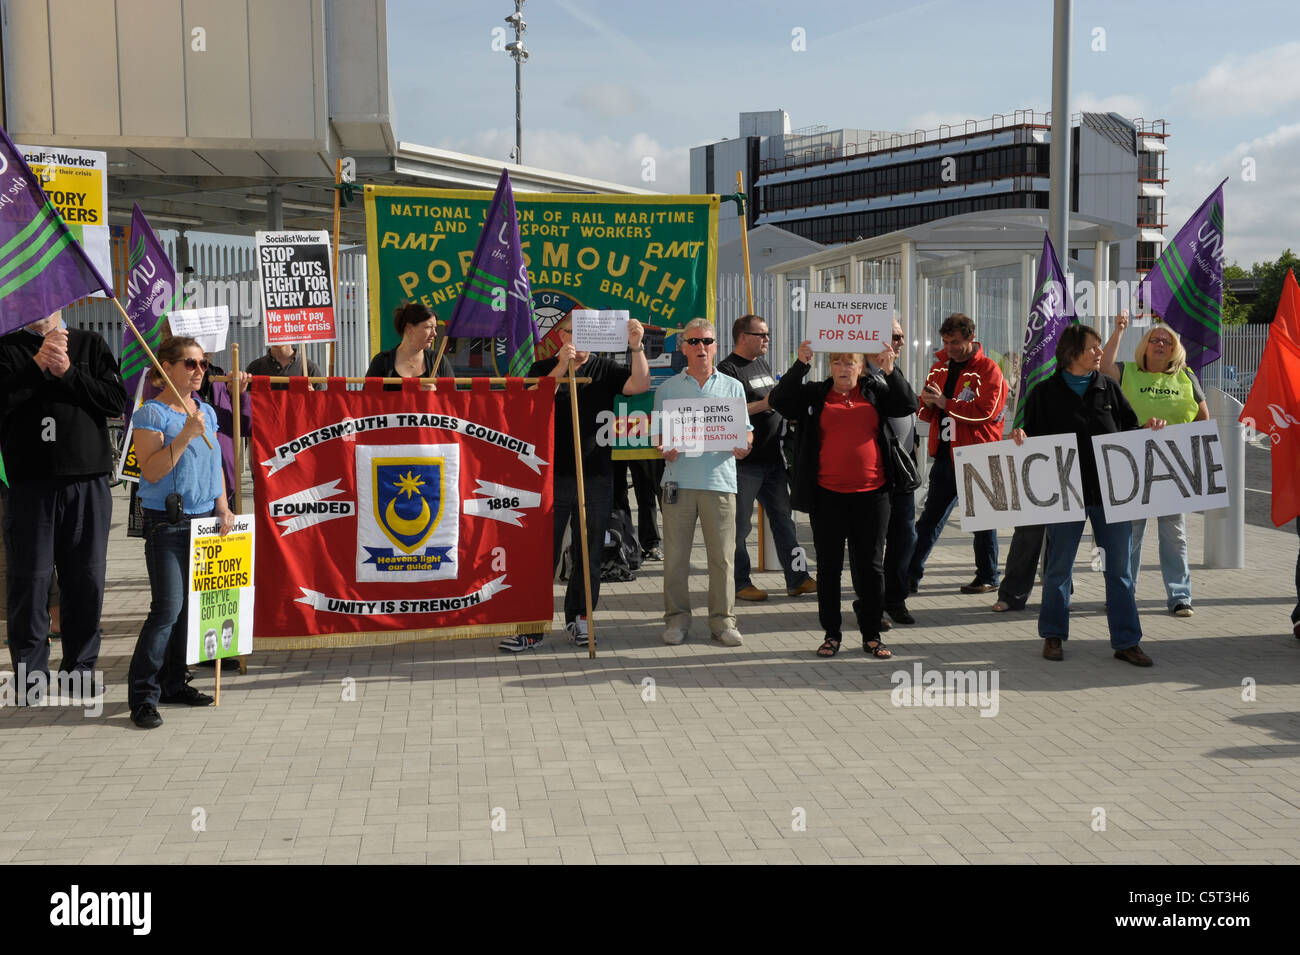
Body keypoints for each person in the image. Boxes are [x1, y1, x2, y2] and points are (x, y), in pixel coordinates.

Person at [1011, 323, 1164, 666]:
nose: (1099, 353)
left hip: (1111, 495)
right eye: (1093, 347)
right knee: (1058, 568)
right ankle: (1053, 635)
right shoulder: (1043, 392)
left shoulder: (1108, 388)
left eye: (1098, 347)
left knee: (1119, 570)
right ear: (1071, 352)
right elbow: (1031, 441)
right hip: (1064, 494)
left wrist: (1149, 429)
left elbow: (1130, 432)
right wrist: (1020, 437)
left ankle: (1127, 641)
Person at [499, 314, 650, 650]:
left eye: (589, 334)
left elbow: (639, 386)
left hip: (595, 475)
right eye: (574, 333)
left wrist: (637, 347)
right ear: (561, 335)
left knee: (589, 550)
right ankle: (531, 626)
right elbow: (527, 402)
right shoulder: (542, 368)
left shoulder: (604, 368)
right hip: (548, 475)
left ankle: (581, 617)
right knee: (542, 553)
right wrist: (559, 369)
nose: (582, 341)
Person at [0, 310, 125, 702]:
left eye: (50, 301)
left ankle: (80, 670)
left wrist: (68, 372)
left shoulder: (91, 344)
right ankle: (29, 677)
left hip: (87, 482)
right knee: (29, 581)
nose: (41, 310)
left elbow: (115, 401)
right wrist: (37, 367)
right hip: (28, 487)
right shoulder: (7, 349)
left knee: (85, 581)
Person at [770, 341, 918, 658]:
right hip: (828, 497)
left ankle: (872, 634)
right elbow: (780, 400)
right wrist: (801, 364)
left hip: (873, 496)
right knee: (829, 568)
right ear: (830, 367)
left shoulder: (876, 391)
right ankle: (832, 634)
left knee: (870, 568)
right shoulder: (815, 394)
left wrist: (890, 369)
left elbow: (907, 404)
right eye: (837, 362)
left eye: (849, 362)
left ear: (860, 367)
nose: (843, 368)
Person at [126, 336, 236, 728]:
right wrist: (186, 434)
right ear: (165, 370)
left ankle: (174, 681)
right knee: (167, 610)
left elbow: (216, 468)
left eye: (203, 364)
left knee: (190, 611)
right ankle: (143, 695)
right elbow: (151, 471)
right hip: (168, 524)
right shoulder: (151, 414)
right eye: (190, 364)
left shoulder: (206, 409)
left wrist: (223, 506)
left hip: (206, 521)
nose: (199, 371)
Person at [1101, 312, 1209, 617]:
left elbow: (1204, 420)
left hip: (1172, 466)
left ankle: (1180, 596)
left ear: (1175, 349)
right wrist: (1118, 330)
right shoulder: (1127, 371)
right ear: (1144, 347)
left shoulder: (1187, 377)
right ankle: (1123, 594)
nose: (1160, 344)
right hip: (1133, 463)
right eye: (1154, 339)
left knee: (1174, 534)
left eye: (1167, 341)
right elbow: (1103, 368)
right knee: (1130, 535)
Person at [654, 319, 753, 646]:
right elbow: (658, 436)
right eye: (694, 341)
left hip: (720, 482)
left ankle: (723, 622)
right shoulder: (667, 389)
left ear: (716, 346)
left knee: (722, 558)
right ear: (683, 347)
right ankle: (677, 621)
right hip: (678, 483)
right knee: (676, 557)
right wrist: (662, 447)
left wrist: (745, 443)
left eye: (707, 341)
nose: (701, 348)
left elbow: (746, 431)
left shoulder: (732, 387)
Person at [717, 313, 816, 602]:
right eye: (761, 335)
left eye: (767, 334)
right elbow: (731, 412)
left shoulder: (761, 363)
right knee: (739, 527)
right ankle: (738, 583)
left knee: (784, 520)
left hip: (772, 460)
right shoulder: (727, 369)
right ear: (743, 337)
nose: (767, 340)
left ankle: (797, 578)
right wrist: (767, 404)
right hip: (744, 464)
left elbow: (776, 397)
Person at [906, 313, 1008, 595]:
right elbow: (926, 410)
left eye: (956, 342)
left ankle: (988, 576)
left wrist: (944, 402)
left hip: (979, 455)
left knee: (983, 522)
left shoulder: (990, 370)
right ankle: (910, 574)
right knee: (930, 519)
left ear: (970, 339)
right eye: (946, 341)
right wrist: (927, 402)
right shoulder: (940, 367)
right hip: (945, 456)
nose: (950, 347)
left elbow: (986, 413)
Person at [867, 316, 919, 627]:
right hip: (873, 473)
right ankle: (873, 604)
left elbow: (909, 404)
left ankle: (896, 599)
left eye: (900, 337)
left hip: (901, 473)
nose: (898, 343)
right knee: (873, 542)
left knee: (904, 537)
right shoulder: (860, 375)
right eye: (893, 337)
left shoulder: (893, 370)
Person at [365, 302, 454, 386]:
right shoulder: (381, 361)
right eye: (429, 327)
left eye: (435, 328)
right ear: (409, 328)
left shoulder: (439, 361)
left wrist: (435, 394)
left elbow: (453, 399)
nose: (435, 333)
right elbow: (367, 399)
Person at [246, 343, 324, 390]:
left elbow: (321, 409)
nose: (278, 329)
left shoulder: (310, 368)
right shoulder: (255, 368)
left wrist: (313, 397)